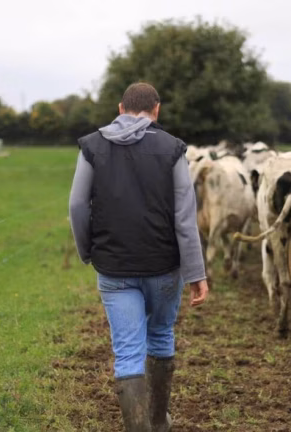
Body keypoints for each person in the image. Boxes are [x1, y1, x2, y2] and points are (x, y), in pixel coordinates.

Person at [69, 82, 209, 432]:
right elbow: (185, 217)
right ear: (156, 110)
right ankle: (159, 421)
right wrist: (196, 273)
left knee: (128, 351)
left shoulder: (92, 146)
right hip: (164, 267)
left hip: (114, 269)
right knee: (160, 334)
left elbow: (77, 205)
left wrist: (87, 251)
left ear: (120, 109)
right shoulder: (173, 148)